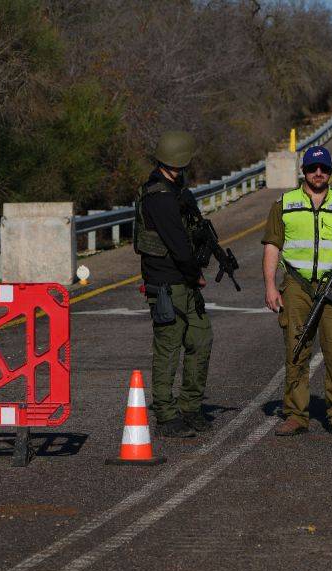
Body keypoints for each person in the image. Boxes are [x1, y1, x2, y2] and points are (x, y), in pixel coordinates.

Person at [261, 145, 332, 437]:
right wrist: (271, 285)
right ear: (304, 171)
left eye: (323, 169)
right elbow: (273, 246)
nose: (318, 173)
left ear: (330, 171)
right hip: (297, 286)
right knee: (296, 350)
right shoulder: (283, 204)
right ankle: (296, 415)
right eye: (312, 168)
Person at [134, 130, 213, 438]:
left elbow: (191, 232)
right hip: (167, 282)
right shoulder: (159, 196)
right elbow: (178, 244)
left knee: (201, 339)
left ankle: (191, 406)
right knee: (168, 347)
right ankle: (166, 414)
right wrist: (196, 273)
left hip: (184, 282)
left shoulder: (178, 191)